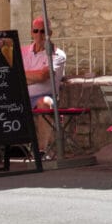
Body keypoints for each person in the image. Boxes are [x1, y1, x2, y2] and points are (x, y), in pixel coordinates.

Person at [21, 16, 67, 158]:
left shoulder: (57, 54)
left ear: (50, 34)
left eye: (43, 31)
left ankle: (41, 150)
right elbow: (14, 74)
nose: (39, 35)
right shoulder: (23, 52)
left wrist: (27, 77)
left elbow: (43, 76)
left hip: (46, 96)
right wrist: (32, 77)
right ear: (31, 33)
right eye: (36, 31)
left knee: (44, 102)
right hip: (23, 96)